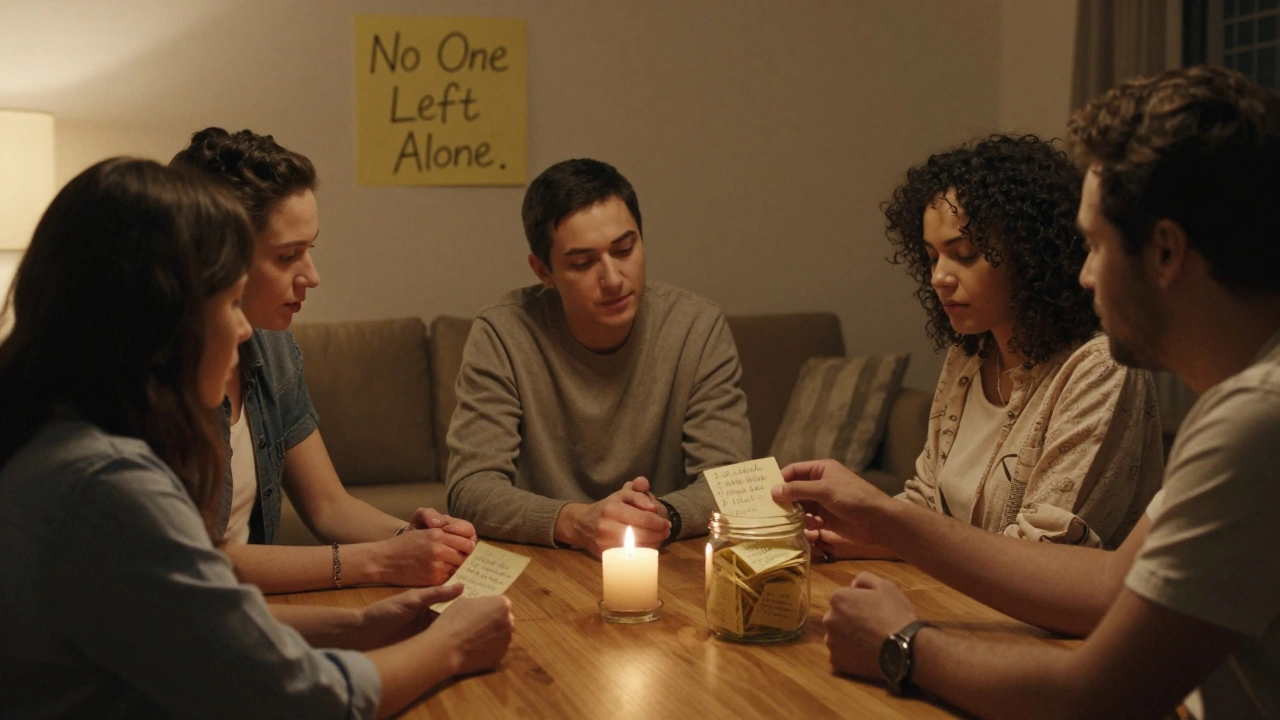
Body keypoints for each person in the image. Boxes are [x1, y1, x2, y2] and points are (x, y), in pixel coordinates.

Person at [775, 66, 1280, 719]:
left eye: (1096, 245)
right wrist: (884, 518)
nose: (1086, 273)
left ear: (1164, 252)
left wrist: (900, 643)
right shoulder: (1241, 403)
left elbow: (1095, 696)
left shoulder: (1256, 420)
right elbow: (1109, 585)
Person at [0, 158, 514, 718]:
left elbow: (197, 619)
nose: (243, 328)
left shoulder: (56, 436)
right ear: (162, 316)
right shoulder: (109, 485)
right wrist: (452, 645)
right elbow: (296, 700)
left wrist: (364, 622)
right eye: (228, 301)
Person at [815, 135, 1163, 561]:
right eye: (931, 257)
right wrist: (840, 536)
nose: (939, 277)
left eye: (964, 254)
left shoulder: (1100, 366)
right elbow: (928, 501)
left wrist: (881, 517)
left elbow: (1044, 552)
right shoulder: (970, 355)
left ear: (1032, 255)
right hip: (954, 598)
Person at [172, 128, 476, 594]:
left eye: (310, 249)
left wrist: (414, 539)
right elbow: (193, 563)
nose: (312, 276)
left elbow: (330, 506)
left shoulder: (271, 347)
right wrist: (380, 560)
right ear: (216, 258)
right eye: (288, 256)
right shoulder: (153, 378)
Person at [446, 158, 753, 556]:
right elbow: (470, 489)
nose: (612, 278)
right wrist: (577, 521)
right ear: (544, 272)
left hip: (659, 553)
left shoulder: (697, 327)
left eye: (625, 249)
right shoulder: (503, 332)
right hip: (545, 563)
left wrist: (661, 516)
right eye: (583, 263)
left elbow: (730, 481)